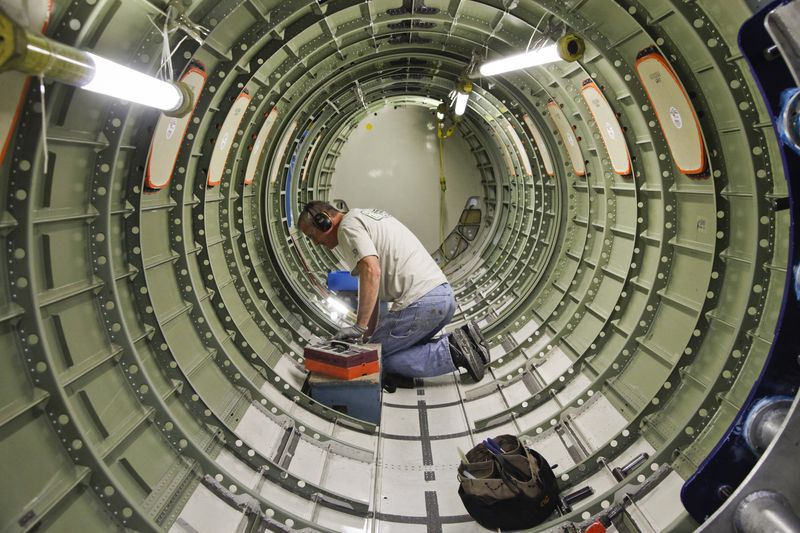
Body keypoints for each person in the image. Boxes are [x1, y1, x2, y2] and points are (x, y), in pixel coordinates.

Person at [298, 201, 489, 387]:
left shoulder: (348, 227)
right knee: (379, 350)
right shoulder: (363, 218)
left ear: (324, 222)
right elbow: (372, 290)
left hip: (420, 303)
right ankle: (465, 340)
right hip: (441, 296)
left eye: (312, 235)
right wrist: (366, 336)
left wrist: (358, 328)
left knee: (374, 361)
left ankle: (454, 351)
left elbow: (371, 271)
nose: (315, 243)